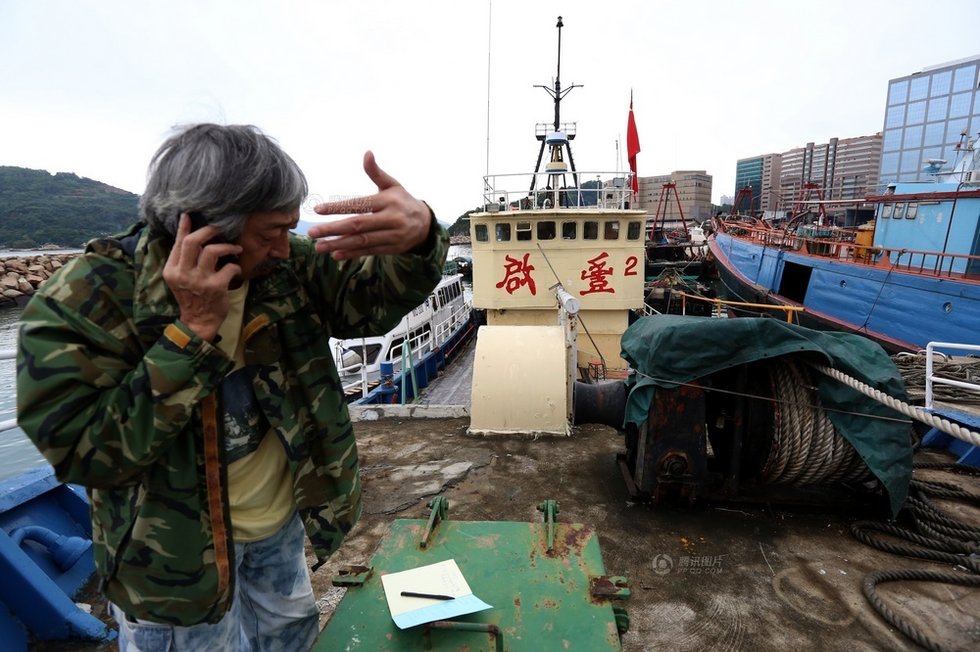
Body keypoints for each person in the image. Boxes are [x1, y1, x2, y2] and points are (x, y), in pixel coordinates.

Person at [15, 123, 448, 651]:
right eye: (270, 233)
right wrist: (191, 333)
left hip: (278, 527)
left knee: (291, 638)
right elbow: (86, 454)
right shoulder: (85, 301)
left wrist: (421, 236)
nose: (284, 249)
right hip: (173, 566)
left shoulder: (283, 269)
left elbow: (370, 304)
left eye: (288, 229)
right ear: (206, 227)